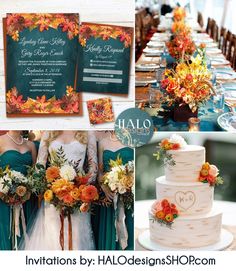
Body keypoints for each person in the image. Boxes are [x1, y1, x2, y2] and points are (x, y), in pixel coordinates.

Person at [25, 131, 98, 250]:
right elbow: (40, 168)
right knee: (53, 237)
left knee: (77, 238)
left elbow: (93, 168)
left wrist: (80, 189)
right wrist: (51, 188)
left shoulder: (88, 133)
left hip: (78, 197)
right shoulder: (48, 133)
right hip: (53, 198)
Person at [96, 131, 134, 250]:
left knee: (129, 226)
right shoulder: (102, 142)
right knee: (111, 233)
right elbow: (100, 172)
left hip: (129, 195)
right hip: (110, 197)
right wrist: (104, 188)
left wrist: (129, 184)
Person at [0, 131, 36, 250]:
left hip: (26, 199)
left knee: (27, 234)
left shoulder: (30, 145)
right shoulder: (1, 140)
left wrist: (29, 186)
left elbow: (35, 173)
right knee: (6, 233)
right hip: (4, 198)